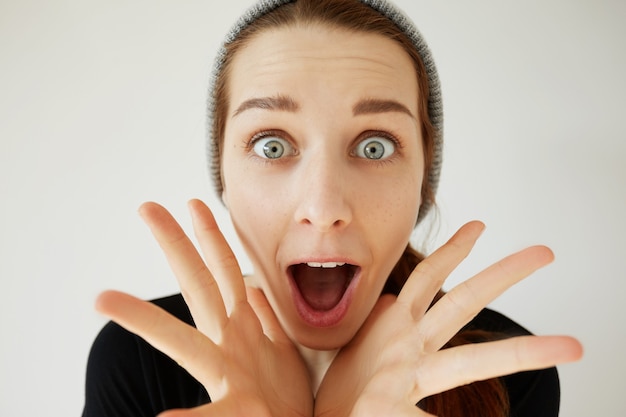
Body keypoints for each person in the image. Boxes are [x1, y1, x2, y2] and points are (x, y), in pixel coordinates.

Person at [82, 1, 583, 416]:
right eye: (272, 145)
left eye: (375, 146)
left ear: (423, 181)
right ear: (224, 176)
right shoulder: (138, 359)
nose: (323, 209)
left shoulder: (503, 375)